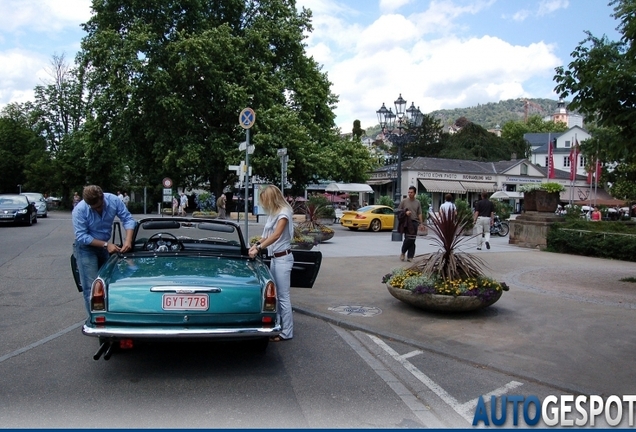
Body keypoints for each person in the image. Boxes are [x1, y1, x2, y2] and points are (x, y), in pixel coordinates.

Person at [72, 185, 136, 314]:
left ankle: (109, 315)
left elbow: (128, 219)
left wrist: (128, 240)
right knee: (91, 287)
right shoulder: (80, 210)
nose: (98, 209)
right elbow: (82, 236)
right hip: (86, 248)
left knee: (108, 282)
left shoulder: (113, 200)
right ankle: (95, 320)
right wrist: (107, 245)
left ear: (103, 198)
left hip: (105, 246)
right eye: (94, 208)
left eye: (100, 206)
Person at [248, 185, 294, 342]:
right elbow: (266, 235)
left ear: (271, 198)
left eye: (265, 200)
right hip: (275, 258)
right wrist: (255, 245)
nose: (264, 204)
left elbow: (275, 236)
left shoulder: (284, 212)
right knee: (275, 296)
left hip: (283, 258)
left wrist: (259, 247)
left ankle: (287, 332)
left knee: (283, 296)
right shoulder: (273, 214)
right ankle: (279, 327)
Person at [398, 186, 423, 262]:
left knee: (412, 239)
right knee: (408, 238)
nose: (410, 194)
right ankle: (403, 252)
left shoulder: (417, 202)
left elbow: (419, 213)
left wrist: (421, 223)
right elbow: (399, 210)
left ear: (415, 193)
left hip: (414, 222)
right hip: (407, 222)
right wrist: (405, 212)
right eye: (409, 192)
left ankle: (410, 256)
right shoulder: (404, 201)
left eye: (411, 192)